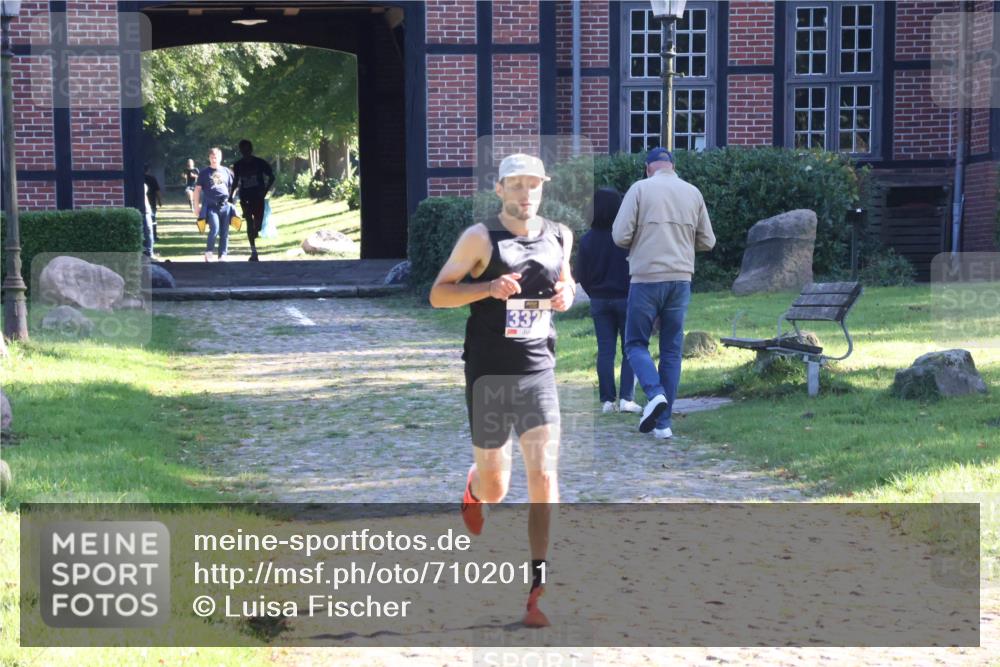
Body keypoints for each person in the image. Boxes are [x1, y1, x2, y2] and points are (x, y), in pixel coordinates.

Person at [429, 153, 576, 628]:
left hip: (538, 370)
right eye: (516, 185)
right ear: (500, 190)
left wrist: (566, 295)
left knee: (545, 478)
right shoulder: (479, 238)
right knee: (498, 484)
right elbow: (438, 293)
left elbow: (567, 282)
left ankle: (537, 589)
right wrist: (488, 288)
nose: (526, 193)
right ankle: (474, 487)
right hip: (490, 374)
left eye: (533, 185)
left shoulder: (559, 235)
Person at [612, 147, 716, 439]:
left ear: (648, 168)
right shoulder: (692, 192)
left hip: (646, 278)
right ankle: (664, 424)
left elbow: (620, 236)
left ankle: (654, 393)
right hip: (681, 278)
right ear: (673, 166)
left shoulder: (640, 189)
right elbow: (708, 240)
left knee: (635, 343)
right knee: (671, 350)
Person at [575, 187, 641, 415]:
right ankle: (627, 398)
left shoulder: (587, 240)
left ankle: (607, 400)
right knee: (630, 349)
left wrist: (593, 292)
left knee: (605, 351)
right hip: (626, 297)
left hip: (600, 300)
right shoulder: (625, 237)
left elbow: (580, 274)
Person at [232, 139, 275, 262]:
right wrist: (231, 195)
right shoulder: (238, 165)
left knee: (258, 226)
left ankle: (255, 230)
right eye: (243, 150)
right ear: (240, 151)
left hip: (258, 196)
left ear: (251, 150)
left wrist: (265, 190)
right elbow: (236, 180)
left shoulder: (260, 163)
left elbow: (271, 177)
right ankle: (253, 251)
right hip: (245, 197)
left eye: (247, 150)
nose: (245, 152)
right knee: (249, 222)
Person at [192, 147, 236, 262]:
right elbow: (197, 190)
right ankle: (209, 252)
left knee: (225, 231)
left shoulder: (226, 171)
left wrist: (232, 201)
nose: (214, 159)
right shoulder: (204, 173)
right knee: (215, 228)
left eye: (216, 157)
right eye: (212, 157)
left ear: (220, 158)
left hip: (225, 205)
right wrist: (196, 207)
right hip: (211, 206)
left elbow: (233, 187)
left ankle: (223, 255)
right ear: (209, 158)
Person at [143, 164, 163, 242]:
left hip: (141, 202)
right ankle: (154, 236)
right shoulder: (152, 179)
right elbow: (157, 191)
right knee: (153, 220)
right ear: (148, 170)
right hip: (151, 202)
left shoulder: (139, 179)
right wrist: (160, 201)